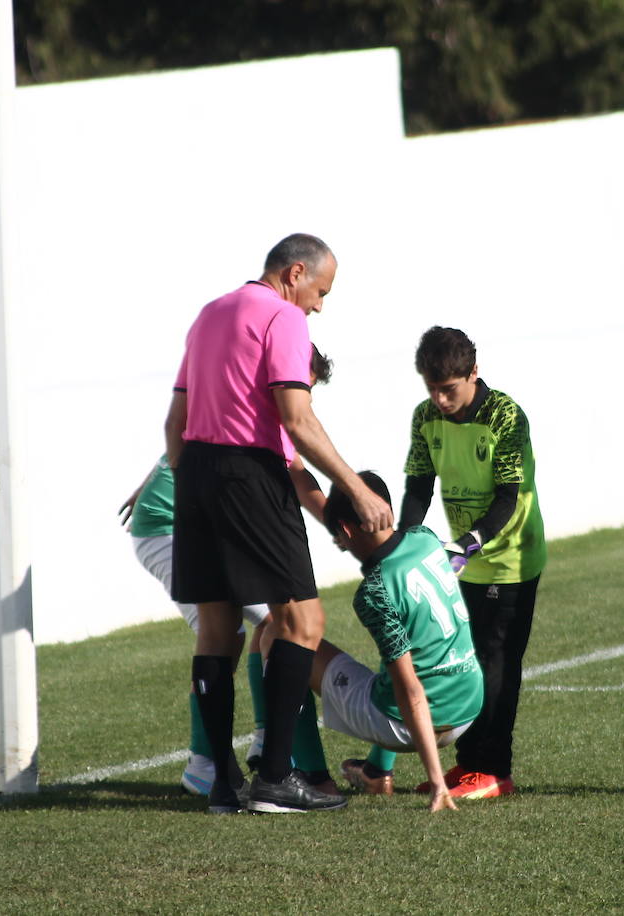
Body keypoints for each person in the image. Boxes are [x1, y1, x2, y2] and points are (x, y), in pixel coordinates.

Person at [167, 233, 392, 814]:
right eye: (321, 290)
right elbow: (296, 416)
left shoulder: (209, 314)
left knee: (217, 632)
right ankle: (273, 779)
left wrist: (195, 478)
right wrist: (354, 487)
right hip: (249, 475)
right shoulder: (284, 318)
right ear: (296, 273)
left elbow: (176, 421)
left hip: (194, 472)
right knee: (303, 621)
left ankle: (222, 786)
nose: (319, 305)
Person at [119, 346, 335, 797]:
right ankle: (207, 763)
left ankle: (258, 743)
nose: (305, 398)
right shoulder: (269, 410)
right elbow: (298, 474)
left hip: (194, 523)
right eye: (305, 386)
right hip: (168, 530)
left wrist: (150, 481)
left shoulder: (239, 398)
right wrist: (342, 521)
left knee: (266, 624)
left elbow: (180, 437)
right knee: (235, 630)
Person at [276, 471, 482, 813]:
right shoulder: (425, 538)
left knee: (285, 640)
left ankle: (313, 776)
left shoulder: (375, 591)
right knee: (403, 658)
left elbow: (410, 691)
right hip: (469, 708)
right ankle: (375, 771)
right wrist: (294, 465)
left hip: (410, 726)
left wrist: (437, 783)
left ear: (343, 530)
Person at [398, 326, 546, 799]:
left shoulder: (506, 416)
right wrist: (402, 544)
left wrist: (468, 542)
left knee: (497, 660)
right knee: (465, 662)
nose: (440, 400)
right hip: (462, 562)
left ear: (474, 373)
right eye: (432, 389)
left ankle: (495, 770)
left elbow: (507, 498)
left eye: (449, 389)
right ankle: (468, 766)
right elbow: (419, 485)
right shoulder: (425, 417)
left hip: (510, 560)